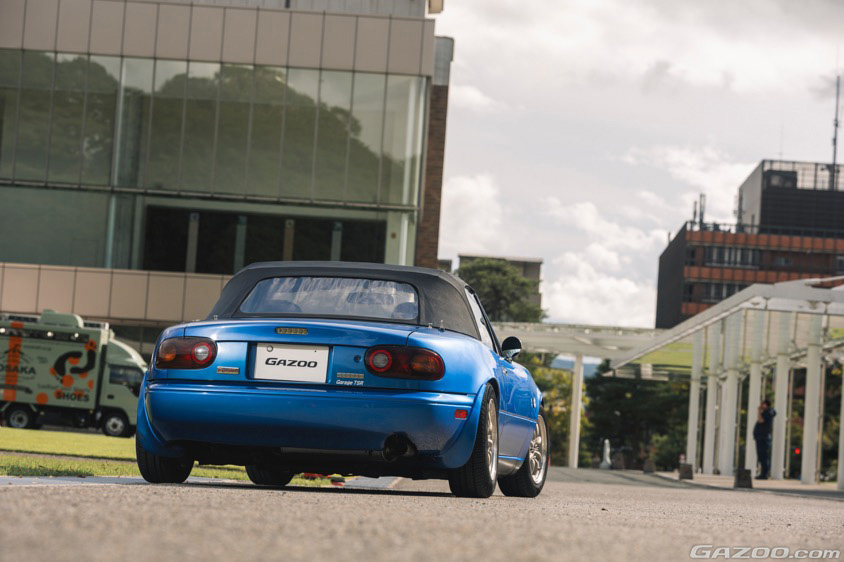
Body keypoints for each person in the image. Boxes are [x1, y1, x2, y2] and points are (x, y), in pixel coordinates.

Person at [752, 400, 776, 479]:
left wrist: (759, 411)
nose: (761, 405)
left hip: (763, 438)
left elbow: (760, 420)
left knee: (763, 456)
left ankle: (764, 474)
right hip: (761, 437)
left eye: (762, 404)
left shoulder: (767, 412)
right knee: (762, 456)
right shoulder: (768, 412)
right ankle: (763, 473)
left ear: (765, 405)